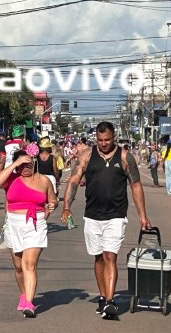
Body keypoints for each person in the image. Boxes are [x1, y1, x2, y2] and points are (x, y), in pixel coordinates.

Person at [61, 121, 151, 320]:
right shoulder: (86, 156)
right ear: (96, 138)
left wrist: (143, 215)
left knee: (110, 256)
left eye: (107, 140)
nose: (104, 143)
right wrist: (66, 207)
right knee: (98, 257)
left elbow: (136, 186)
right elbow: (74, 180)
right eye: (100, 140)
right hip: (92, 215)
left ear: (114, 137)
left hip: (116, 216)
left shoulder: (126, 157)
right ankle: (103, 296)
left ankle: (110, 302)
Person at [0, 146, 58, 317]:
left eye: (28, 164)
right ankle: (24, 294)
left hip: (35, 224)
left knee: (29, 264)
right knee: (18, 267)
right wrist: (16, 162)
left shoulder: (44, 180)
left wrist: (50, 208)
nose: (25, 168)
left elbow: (53, 199)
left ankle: (29, 304)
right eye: (21, 165)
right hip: (14, 224)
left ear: (34, 162)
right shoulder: (12, 179)